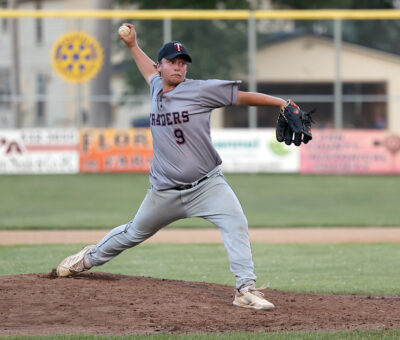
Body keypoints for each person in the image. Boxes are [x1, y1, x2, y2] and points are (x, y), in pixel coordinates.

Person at [57, 23, 294, 311]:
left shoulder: (200, 91)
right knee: (132, 233)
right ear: (161, 66)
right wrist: (132, 45)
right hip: (164, 192)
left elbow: (241, 97)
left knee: (236, 223)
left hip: (208, 185)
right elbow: (146, 70)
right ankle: (86, 259)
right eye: (173, 62)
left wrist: (281, 103)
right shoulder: (156, 85)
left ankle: (245, 289)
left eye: (183, 63)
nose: (179, 67)